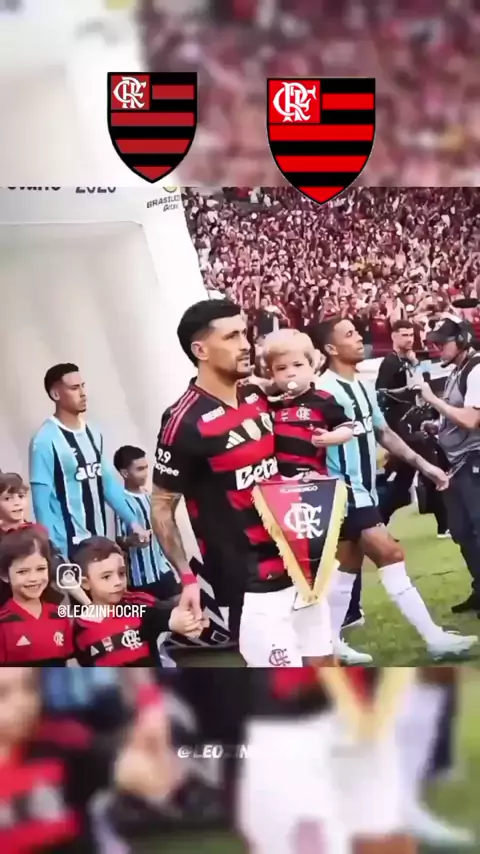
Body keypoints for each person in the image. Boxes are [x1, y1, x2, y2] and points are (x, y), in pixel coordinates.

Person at [151, 300, 334, 667]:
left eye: (245, 334)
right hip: (249, 586)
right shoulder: (183, 421)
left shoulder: (257, 395)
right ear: (201, 350)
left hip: (299, 564)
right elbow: (161, 506)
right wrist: (187, 577)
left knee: (327, 670)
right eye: (232, 336)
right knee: (284, 693)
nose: (245, 344)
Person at [311, 316, 477, 662]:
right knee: (391, 554)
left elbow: (384, 433)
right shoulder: (323, 391)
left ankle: (327, 643)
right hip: (345, 492)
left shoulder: (359, 386)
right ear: (330, 348)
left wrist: (426, 467)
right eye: (349, 335)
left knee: (347, 567)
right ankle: (434, 639)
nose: (359, 338)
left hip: (363, 489)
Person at [29, 364, 149, 565]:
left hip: (99, 540)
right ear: (56, 394)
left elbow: (107, 484)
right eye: (74, 388)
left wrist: (133, 522)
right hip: (68, 546)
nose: (83, 393)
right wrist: (52, 550)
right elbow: (41, 503)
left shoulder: (93, 432)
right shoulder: (44, 440)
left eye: (83, 386)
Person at [417, 316, 480, 614]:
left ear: (463, 340)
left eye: (443, 342)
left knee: (476, 528)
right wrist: (438, 426)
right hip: (459, 462)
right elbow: (457, 417)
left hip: (474, 458)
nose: (437, 348)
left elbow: (470, 419)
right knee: (460, 530)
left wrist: (432, 399)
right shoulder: (459, 370)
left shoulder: (476, 369)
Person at [71, 536, 205, 666]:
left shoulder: (138, 605)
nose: (118, 582)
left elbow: (165, 616)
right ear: (85, 583)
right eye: (106, 577)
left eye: (121, 573)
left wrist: (184, 619)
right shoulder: (78, 630)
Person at [113, 445, 180, 601]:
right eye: (140, 469)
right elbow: (120, 539)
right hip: (142, 576)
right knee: (153, 614)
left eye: (146, 468)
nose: (145, 474)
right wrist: (133, 541)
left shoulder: (150, 497)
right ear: (125, 473)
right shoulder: (121, 502)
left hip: (163, 569)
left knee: (179, 606)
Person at [0, 526, 73, 665]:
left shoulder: (59, 615)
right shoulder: (3, 623)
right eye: (23, 571)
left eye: (40, 569)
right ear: (4, 575)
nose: (33, 578)